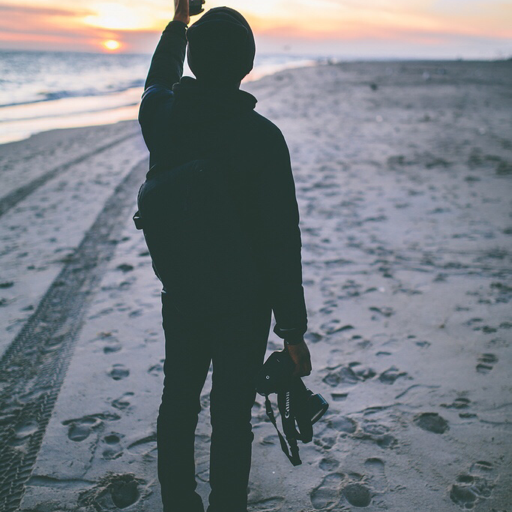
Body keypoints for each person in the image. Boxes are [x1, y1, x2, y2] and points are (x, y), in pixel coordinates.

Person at [138, 1, 312, 511]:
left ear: (193, 61)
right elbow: (284, 241)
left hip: (183, 291)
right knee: (231, 415)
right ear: (247, 65)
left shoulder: (162, 118)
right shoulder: (263, 138)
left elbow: (157, 78)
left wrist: (178, 23)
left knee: (177, 404)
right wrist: (293, 333)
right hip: (245, 301)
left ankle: (179, 503)